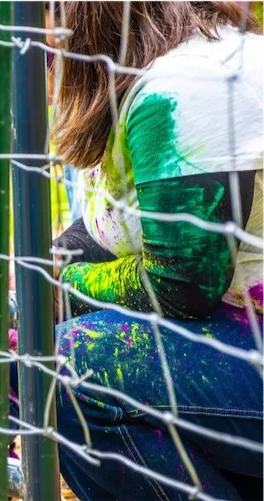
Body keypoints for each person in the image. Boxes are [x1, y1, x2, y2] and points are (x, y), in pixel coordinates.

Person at [46, 3, 263, 500]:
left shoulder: (192, 84)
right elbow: (111, 232)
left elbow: (184, 283)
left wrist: (54, 287)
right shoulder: (165, 74)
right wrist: (43, 269)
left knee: (65, 364)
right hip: (240, 336)